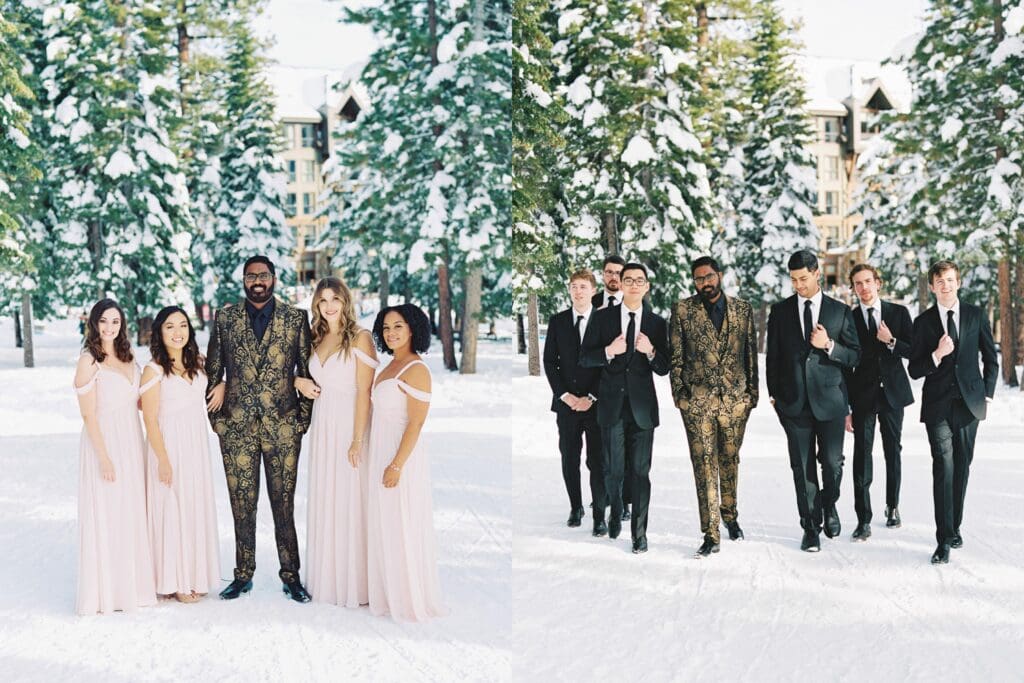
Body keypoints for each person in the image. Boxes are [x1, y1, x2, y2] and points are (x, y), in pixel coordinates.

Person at [205, 255, 314, 602]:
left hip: (283, 431)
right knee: (242, 505)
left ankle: (291, 575)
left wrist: (301, 421)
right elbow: (213, 371)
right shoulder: (225, 318)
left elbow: (308, 372)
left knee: (284, 505)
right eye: (251, 276)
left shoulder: (296, 319)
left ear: (274, 279)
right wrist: (219, 422)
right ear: (243, 280)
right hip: (236, 431)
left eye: (263, 275)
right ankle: (243, 574)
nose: (257, 281)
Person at [766, 249, 860, 553]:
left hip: (831, 401)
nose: (798, 285)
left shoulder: (839, 311)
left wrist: (829, 345)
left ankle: (829, 505)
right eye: (793, 280)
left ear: (817, 274)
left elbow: (855, 356)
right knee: (801, 467)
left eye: (803, 279)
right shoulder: (779, 312)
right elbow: (774, 358)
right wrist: (775, 395)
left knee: (832, 464)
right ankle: (810, 526)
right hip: (793, 404)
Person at [295, 277, 378, 606]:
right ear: (316, 304)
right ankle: (328, 577)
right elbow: (299, 375)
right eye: (323, 300)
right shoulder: (315, 338)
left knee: (350, 497)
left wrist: (357, 439)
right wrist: (299, 381)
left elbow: (364, 392)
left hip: (350, 424)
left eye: (336, 299)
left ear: (346, 302)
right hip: (324, 423)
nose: (329, 306)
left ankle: (355, 582)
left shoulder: (361, 337)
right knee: (328, 494)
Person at [908, 260, 997, 565]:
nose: (945, 285)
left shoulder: (974, 314)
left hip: (970, 405)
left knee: (961, 467)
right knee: (943, 467)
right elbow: (915, 368)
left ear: (958, 282)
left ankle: (955, 526)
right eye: (939, 281)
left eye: (949, 280)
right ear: (932, 287)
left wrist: (987, 393)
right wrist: (936, 354)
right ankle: (943, 539)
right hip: (938, 407)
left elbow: (990, 356)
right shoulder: (922, 323)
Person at [669, 256, 758, 558]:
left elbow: (750, 355)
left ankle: (730, 514)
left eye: (708, 277)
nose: (704, 283)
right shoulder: (683, 310)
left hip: (735, 403)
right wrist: (681, 396)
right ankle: (711, 533)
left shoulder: (743, 309)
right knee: (704, 466)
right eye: (698, 279)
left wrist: (752, 396)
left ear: (719, 275)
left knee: (729, 461)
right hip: (697, 405)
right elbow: (676, 357)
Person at [580, 263, 670, 554]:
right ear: (621, 283)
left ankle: (639, 534)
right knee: (614, 470)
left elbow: (665, 367)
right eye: (627, 279)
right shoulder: (603, 318)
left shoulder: (657, 323)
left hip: (643, 409)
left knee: (640, 472)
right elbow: (585, 358)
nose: (632, 284)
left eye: (638, 280)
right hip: (611, 406)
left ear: (646, 287)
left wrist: (651, 351)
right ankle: (615, 509)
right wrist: (609, 351)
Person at [73, 299, 156, 614]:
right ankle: (106, 593)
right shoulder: (88, 361)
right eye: (103, 321)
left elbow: (135, 400)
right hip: (104, 443)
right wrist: (104, 458)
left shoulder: (128, 357)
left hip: (131, 439)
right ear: (94, 324)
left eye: (115, 322)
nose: (109, 327)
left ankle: (131, 588)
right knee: (108, 514)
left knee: (130, 510)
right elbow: (88, 416)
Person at [366, 303, 445, 621]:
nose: (391, 332)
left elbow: (416, 423)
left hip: (401, 456)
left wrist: (397, 464)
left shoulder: (416, 369)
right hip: (379, 451)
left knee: (402, 522)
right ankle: (387, 591)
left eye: (398, 326)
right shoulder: (388, 365)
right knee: (384, 523)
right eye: (386, 327)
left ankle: (408, 597)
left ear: (413, 328)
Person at [139, 306, 220, 604]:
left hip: (195, 445)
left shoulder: (197, 363)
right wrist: (162, 460)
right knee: (171, 509)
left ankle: (194, 574)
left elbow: (217, 382)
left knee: (192, 506)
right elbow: (149, 419)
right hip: (168, 445)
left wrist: (220, 385)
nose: (178, 332)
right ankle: (175, 580)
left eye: (183, 325)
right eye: (170, 326)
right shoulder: (154, 370)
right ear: (160, 332)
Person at [843, 264, 914, 541]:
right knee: (862, 454)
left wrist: (891, 340)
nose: (863, 288)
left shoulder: (898, 313)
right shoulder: (847, 319)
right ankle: (863, 519)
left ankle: (892, 506)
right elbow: (845, 366)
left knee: (892, 450)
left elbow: (913, 350)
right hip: (862, 397)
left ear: (878, 283)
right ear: (853, 288)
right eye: (858, 283)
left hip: (893, 393)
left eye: (868, 282)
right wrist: (847, 407)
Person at [542, 268, 606, 535]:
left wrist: (591, 397)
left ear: (593, 290)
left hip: (595, 405)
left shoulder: (604, 322)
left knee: (597, 460)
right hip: (566, 405)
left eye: (583, 286)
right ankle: (575, 507)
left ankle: (599, 515)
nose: (578, 291)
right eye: (573, 286)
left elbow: (608, 363)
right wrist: (566, 396)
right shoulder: (557, 322)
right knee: (570, 457)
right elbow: (549, 362)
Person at [591, 254, 632, 521]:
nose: (613, 276)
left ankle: (622, 501)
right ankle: (601, 499)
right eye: (608, 272)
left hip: (621, 392)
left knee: (622, 451)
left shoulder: (635, 304)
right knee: (597, 453)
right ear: (603, 275)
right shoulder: (591, 304)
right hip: (592, 388)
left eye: (618, 272)